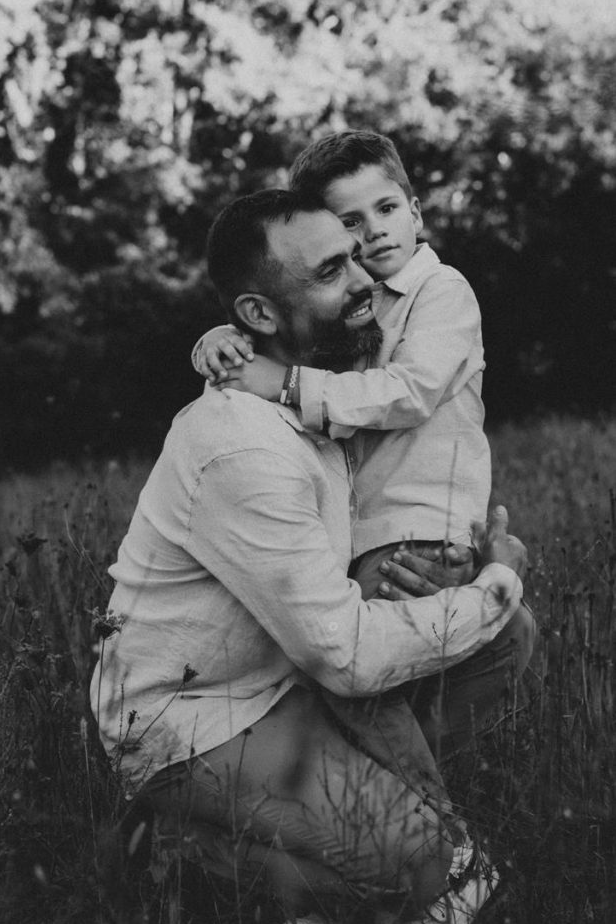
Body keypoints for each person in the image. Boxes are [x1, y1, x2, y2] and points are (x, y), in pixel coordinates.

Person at [93, 191, 531, 924]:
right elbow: (346, 657)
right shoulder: (239, 446)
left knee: (506, 641)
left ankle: (339, 852)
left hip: (289, 674)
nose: (363, 277)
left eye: (358, 254)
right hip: (196, 715)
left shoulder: (319, 390)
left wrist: (443, 583)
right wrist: (494, 584)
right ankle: (187, 851)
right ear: (259, 311)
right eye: (331, 270)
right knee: (421, 859)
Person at [191, 130, 532, 770]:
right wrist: (219, 339)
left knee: (365, 682)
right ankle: (400, 800)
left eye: (386, 209)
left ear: (416, 211)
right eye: (351, 221)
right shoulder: (349, 303)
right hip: (362, 529)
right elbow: (273, 325)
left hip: (415, 524)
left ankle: (418, 809)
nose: (373, 232)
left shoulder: (442, 292)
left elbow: (410, 391)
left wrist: (287, 385)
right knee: (382, 678)